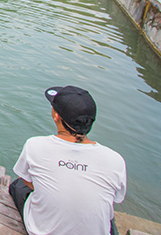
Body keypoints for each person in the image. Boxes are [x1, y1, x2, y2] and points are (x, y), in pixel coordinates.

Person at [10, 85, 127, 235]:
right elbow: (116, 198)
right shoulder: (115, 160)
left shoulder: (35, 145)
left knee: (18, 185)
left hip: (44, 230)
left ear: (56, 116)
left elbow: (29, 182)